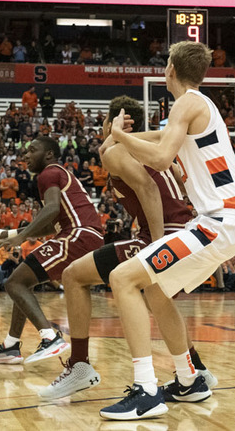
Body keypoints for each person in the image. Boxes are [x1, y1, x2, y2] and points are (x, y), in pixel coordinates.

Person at [98, 41, 235, 420]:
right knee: (155, 290)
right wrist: (117, 137)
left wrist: (120, 136)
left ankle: (146, 389)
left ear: (169, 70)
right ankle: (188, 380)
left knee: (122, 279)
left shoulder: (188, 102)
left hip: (218, 222)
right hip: (220, 222)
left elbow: (162, 157)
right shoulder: (195, 106)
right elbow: (159, 141)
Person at [38, 96, 216, 400]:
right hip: (186, 230)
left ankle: (80, 365)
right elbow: (180, 187)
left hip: (162, 235)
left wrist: (157, 245)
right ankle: (196, 369)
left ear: (115, 122)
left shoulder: (117, 152)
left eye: (104, 122)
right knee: (156, 301)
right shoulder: (153, 151)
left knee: (72, 276)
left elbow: (148, 189)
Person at [0, 136, 103, 365]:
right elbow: (48, 224)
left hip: (78, 235)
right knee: (22, 282)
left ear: (49, 155)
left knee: (13, 283)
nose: (25, 155)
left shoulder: (49, 173)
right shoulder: (59, 175)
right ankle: (11, 345)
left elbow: (52, 209)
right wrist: (10, 234)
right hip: (85, 236)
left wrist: (23, 237)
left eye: (32, 150)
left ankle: (50, 337)